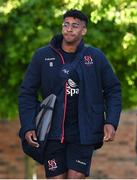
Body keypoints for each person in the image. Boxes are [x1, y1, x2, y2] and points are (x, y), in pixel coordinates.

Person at [18, 9, 122, 179]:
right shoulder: (42, 56)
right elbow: (27, 93)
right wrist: (28, 125)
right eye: (66, 24)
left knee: (76, 177)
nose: (69, 29)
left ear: (84, 30)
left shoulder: (95, 57)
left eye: (75, 25)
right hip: (52, 133)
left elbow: (113, 90)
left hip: (84, 133)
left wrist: (111, 121)